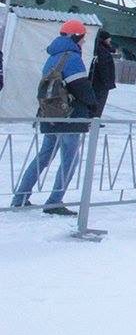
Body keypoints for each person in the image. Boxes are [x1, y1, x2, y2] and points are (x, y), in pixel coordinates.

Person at [11, 20, 97, 215]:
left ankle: (20, 197)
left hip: (50, 113)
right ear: (76, 37)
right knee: (70, 159)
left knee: (44, 156)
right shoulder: (73, 58)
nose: (83, 42)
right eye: (83, 38)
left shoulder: (53, 56)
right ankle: (54, 202)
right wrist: (93, 106)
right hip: (70, 116)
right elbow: (81, 88)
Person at [88, 29, 117, 118]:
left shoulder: (98, 49)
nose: (110, 40)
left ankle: (93, 119)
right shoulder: (103, 52)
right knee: (99, 102)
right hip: (101, 84)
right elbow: (104, 68)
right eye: (108, 38)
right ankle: (94, 120)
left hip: (97, 82)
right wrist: (107, 82)